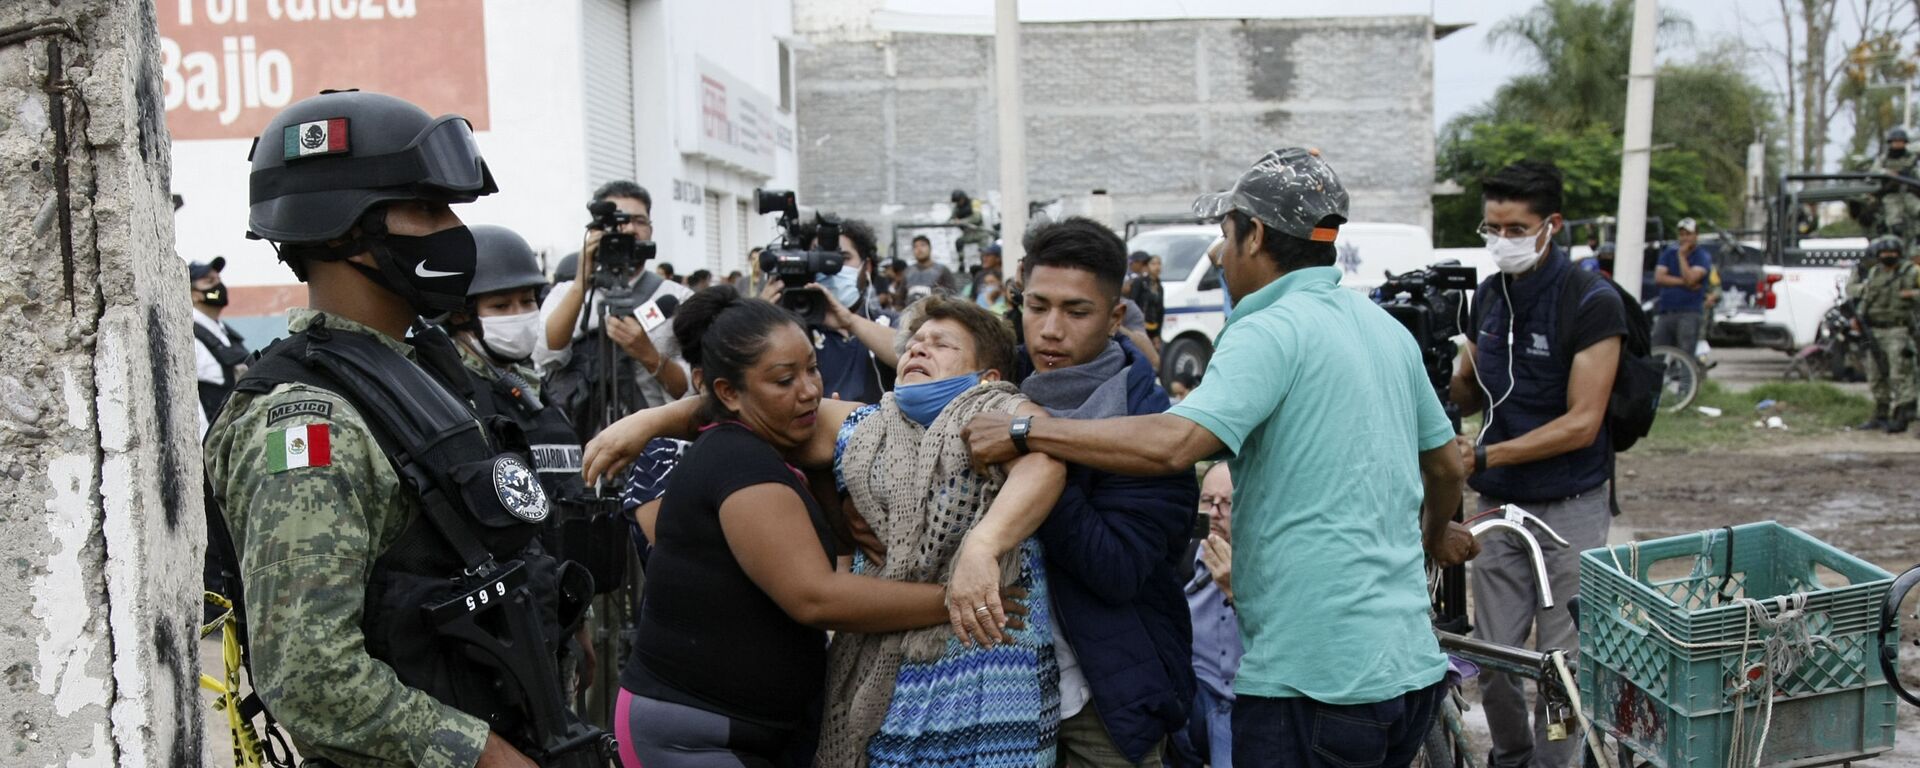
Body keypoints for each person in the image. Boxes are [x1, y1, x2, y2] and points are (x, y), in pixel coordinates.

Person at [963, 149, 1477, 768]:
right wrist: (1432, 536)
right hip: (1407, 671)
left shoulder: (1268, 327)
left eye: (1224, 236)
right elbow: (1446, 466)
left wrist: (1027, 431)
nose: (1222, 255)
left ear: (1253, 234)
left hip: (1314, 679)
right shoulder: (1383, 327)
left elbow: (1176, 444)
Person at [206, 90, 586, 767]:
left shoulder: (430, 368)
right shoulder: (308, 419)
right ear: (339, 229)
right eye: (426, 208)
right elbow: (310, 679)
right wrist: (484, 755)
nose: (450, 231)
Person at [581, 292, 1068, 768]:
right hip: (890, 701)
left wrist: (984, 547)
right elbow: (747, 404)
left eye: (941, 343)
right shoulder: (868, 426)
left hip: (996, 684)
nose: (918, 347)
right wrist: (648, 421)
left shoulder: (1005, 418)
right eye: (915, 341)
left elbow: (1046, 458)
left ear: (987, 377)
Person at [1448, 161, 1625, 768]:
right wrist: (1445, 382)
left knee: (1560, 667)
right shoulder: (1488, 297)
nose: (1502, 240)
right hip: (1496, 503)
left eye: (1516, 227)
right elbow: (1472, 391)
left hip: (1568, 504)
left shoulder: (1591, 301)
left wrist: (1487, 452)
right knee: (1493, 656)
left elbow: (1583, 423)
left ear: (1551, 225)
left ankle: (1555, 766)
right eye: (1492, 226)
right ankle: (1510, 756)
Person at [538, 181, 695, 432]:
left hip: (652, 443)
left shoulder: (678, 298)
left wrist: (647, 354)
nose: (631, 229)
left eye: (640, 221)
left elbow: (690, 389)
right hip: (581, 441)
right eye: (621, 221)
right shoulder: (568, 293)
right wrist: (581, 282)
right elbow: (548, 357)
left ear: (651, 229)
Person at [772, 218, 898, 404]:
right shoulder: (794, 328)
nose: (830, 269)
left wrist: (850, 322)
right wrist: (761, 316)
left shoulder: (887, 321)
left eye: (842, 258)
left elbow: (907, 352)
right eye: (820, 259)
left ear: (867, 267)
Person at [1181, 462, 1241, 768]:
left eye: (1228, 503)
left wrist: (1236, 588)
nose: (1215, 512)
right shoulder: (1183, 553)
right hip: (1193, 693)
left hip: (1240, 702)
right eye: (1208, 501)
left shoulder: (1266, 562)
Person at [1848, 236, 1920, 432]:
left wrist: (1911, 294)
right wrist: (1859, 318)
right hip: (1874, 329)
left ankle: (1903, 415)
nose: (1888, 256)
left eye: (1892, 253)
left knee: (1900, 374)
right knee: (1876, 374)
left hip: (1898, 329)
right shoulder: (1875, 273)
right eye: (1884, 253)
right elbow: (1867, 296)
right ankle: (1880, 413)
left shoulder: (1911, 272)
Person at [189, 256, 248, 436]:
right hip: (215, 445)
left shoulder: (226, 332)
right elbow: (193, 401)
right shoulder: (189, 337)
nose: (218, 287)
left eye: (219, 280)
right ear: (194, 294)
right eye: (210, 282)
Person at [1651, 218, 1712, 357]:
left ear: (1696, 235)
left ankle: (1685, 378)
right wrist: (1684, 283)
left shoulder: (1701, 256)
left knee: (1684, 353)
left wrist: (1682, 257)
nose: (1684, 238)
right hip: (1666, 310)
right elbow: (1659, 277)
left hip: (1689, 312)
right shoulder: (1668, 252)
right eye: (1682, 234)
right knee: (1657, 350)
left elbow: (1691, 278)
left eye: (1688, 234)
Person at [1874, 128, 1920, 242]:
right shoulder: (1884, 158)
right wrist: (1887, 173)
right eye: (1895, 141)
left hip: (1908, 191)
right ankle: (1897, 242)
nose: (1898, 144)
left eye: (1901, 141)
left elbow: (1915, 172)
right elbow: (1875, 170)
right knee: (1895, 223)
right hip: (1891, 193)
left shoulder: (1910, 157)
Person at [950, 189, 994, 258]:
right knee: (959, 242)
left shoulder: (974, 202)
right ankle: (961, 263)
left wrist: (961, 221)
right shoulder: (957, 208)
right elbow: (951, 219)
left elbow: (977, 218)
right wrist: (953, 222)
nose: (958, 203)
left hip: (980, 232)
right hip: (968, 234)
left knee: (984, 252)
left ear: (963, 198)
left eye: (959, 201)